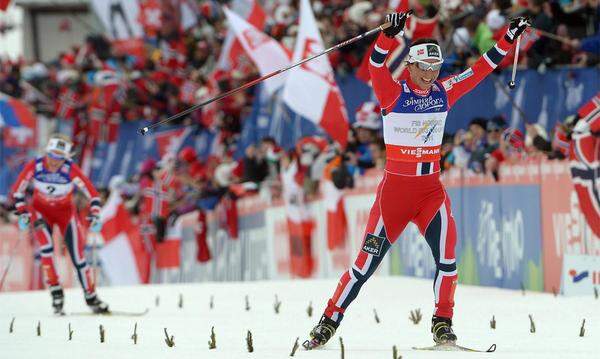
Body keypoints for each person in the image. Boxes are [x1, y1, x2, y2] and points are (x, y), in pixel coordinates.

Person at [305, 12, 531, 349]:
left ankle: (443, 322)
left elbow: (481, 68)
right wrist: (388, 35)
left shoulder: (444, 91)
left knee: (448, 259)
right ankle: (328, 320)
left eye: (435, 70)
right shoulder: (392, 94)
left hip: (430, 193)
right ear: (410, 66)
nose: (429, 76)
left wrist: (509, 38)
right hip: (394, 196)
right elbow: (376, 67)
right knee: (364, 267)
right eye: (423, 69)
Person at [10, 134, 109, 314]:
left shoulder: (70, 169)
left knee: (78, 257)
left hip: (65, 215)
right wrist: (22, 212)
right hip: (41, 213)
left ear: (66, 158)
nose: (55, 162)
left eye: (60, 158)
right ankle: (56, 292)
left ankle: (91, 297)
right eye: (52, 156)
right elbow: (17, 191)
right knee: (46, 249)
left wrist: (95, 214)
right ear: (46, 153)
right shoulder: (36, 165)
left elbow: (93, 194)